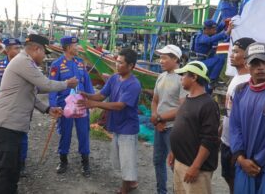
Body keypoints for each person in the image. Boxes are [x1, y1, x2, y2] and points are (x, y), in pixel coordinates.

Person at [0, 34, 78, 194]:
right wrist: (66, 83)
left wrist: (48, 109)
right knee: (6, 170)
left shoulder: (25, 63)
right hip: (5, 124)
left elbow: (34, 90)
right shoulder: (24, 62)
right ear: (37, 49)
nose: (44, 57)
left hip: (12, 124)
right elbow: (45, 84)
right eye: (44, 53)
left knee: (14, 168)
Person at [78, 48, 141, 194]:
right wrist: (86, 95)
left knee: (126, 162)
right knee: (119, 160)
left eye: (120, 63)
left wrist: (94, 104)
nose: (117, 65)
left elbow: (119, 106)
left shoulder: (134, 84)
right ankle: (132, 182)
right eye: (116, 62)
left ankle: (125, 189)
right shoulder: (114, 78)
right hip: (117, 126)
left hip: (128, 128)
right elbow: (101, 95)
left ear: (131, 66)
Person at [229, 42, 265, 194]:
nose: (261, 67)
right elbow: (234, 126)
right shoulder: (241, 90)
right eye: (255, 62)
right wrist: (240, 158)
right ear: (246, 64)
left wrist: (257, 161)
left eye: (264, 61)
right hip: (244, 163)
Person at [168, 61, 220, 194]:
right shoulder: (187, 99)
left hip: (195, 168)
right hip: (181, 162)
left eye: (184, 75)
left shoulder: (208, 104)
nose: (181, 78)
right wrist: (174, 152)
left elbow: (209, 140)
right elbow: (182, 127)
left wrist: (195, 167)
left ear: (194, 77)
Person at [49, 36, 95, 177]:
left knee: (83, 132)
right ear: (68, 47)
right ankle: (63, 160)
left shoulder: (81, 63)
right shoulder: (56, 65)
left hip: (81, 104)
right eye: (76, 46)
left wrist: (91, 100)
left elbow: (87, 83)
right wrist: (53, 106)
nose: (78, 48)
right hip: (65, 106)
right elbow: (52, 87)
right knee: (65, 133)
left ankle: (85, 161)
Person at [0, 38, 29, 177]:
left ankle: (21, 163)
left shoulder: (25, 64)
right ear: (7, 50)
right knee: (5, 137)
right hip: (4, 107)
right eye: (15, 48)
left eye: (19, 48)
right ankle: (5, 162)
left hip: (21, 105)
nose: (18, 51)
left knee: (22, 135)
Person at [150, 45, 188, 194]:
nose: (161, 61)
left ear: (175, 59)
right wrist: (155, 118)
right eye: (161, 57)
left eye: (164, 57)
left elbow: (182, 108)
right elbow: (155, 101)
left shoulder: (182, 78)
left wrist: (160, 118)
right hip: (159, 126)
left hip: (174, 128)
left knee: (175, 165)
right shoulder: (161, 76)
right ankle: (161, 191)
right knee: (157, 161)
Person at [220, 37, 255, 194]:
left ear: (247, 55)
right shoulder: (236, 78)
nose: (231, 55)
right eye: (231, 51)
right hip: (227, 141)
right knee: (228, 177)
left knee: (237, 182)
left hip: (238, 145)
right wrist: (221, 129)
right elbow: (229, 111)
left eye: (235, 51)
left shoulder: (249, 82)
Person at [191, 19, 232, 87]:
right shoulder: (200, 37)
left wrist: (225, 22)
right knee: (220, 59)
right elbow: (210, 40)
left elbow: (219, 28)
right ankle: (212, 81)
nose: (215, 31)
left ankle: (211, 82)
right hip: (199, 62)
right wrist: (226, 33)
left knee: (207, 88)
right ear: (207, 29)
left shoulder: (207, 33)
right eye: (214, 29)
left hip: (204, 61)